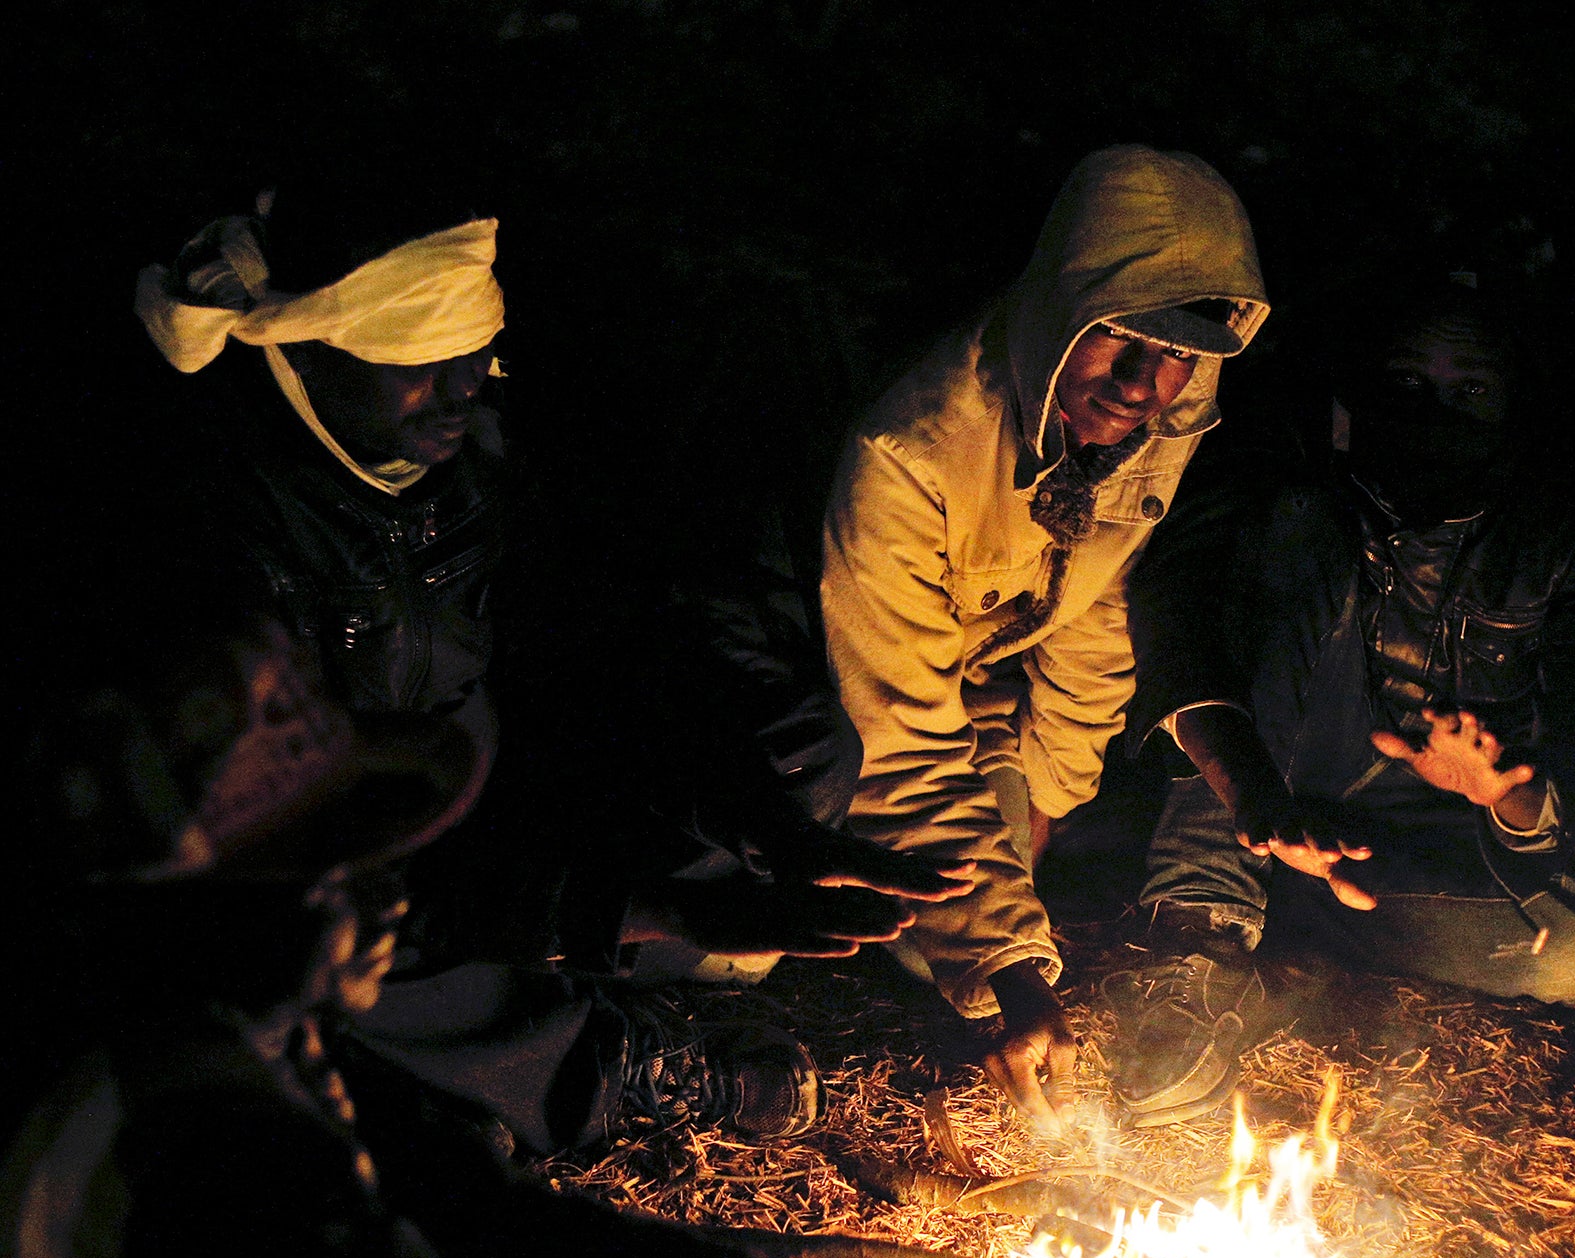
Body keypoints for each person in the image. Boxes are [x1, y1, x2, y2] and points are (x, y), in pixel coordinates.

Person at [8, 612, 1102, 1258]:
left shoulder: (237, 1032)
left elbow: (504, 1234)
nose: (386, 888)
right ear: (203, 907)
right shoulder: (192, 1161)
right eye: (334, 861)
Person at [116, 171, 966, 1155]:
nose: (461, 389)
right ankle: (591, 1066)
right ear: (310, 346)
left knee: (799, 754)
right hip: (343, 862)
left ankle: (538, 1003)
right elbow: (295, 843)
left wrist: (762, 821)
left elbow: (610, 647)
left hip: (479, 801)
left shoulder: (466, 461)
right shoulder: (220, 537)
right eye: (423, 362)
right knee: (318, 933)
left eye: (476, 356)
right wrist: (655, 906)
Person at [1110, 274, 1575, 1127]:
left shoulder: (1560, 545)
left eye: (1468, 392)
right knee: (1295, 525)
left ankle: (1305, 946)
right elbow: (1178, 626)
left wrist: (1499, 794)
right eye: (1407, 385)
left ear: (1511, 409)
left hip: (1427, 859)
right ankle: (1204, 932)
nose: (1434, 414)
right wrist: (1254, 795)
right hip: (1272, 800)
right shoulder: (1297, 492)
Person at [821, 144, 1268, 1136]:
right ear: (1059, 313)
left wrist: (1050, 800)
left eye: (1178, 358)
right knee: (949, 955)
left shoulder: (1157, 420)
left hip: (977, 705)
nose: (1142, 386)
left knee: (990, 886)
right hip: (849, 703)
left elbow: (1098, 620)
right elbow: (898, 731)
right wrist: (1012, 969)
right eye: (1121, 345)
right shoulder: (906, 455)